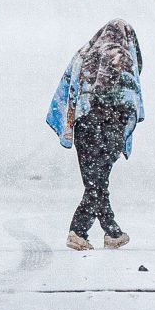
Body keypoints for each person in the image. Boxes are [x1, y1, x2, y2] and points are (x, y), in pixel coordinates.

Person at [46, 19, 144, 251]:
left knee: (95, 182)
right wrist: (118, 121)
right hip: (109, 126)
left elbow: (69, 89)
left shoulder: (83, 55)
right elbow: (128, 96)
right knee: (97, 183)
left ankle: (99, 232)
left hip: (83, 126)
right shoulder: (122, 57)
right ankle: (94, 231)